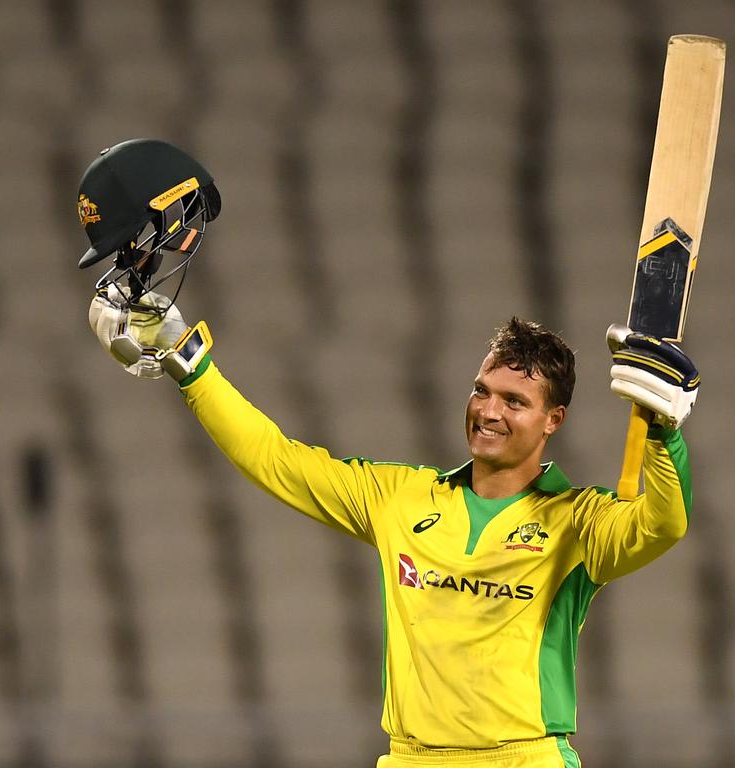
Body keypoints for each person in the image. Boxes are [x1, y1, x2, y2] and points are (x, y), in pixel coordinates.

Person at [79, 141, 700, 768]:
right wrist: (190, 364)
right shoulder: (400, 498)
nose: (488, 411)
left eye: (515, 402)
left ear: (552, 420)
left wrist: (661, 429)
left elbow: (663, 523)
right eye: (482, 391)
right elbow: (273, 459)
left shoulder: (579, 523)